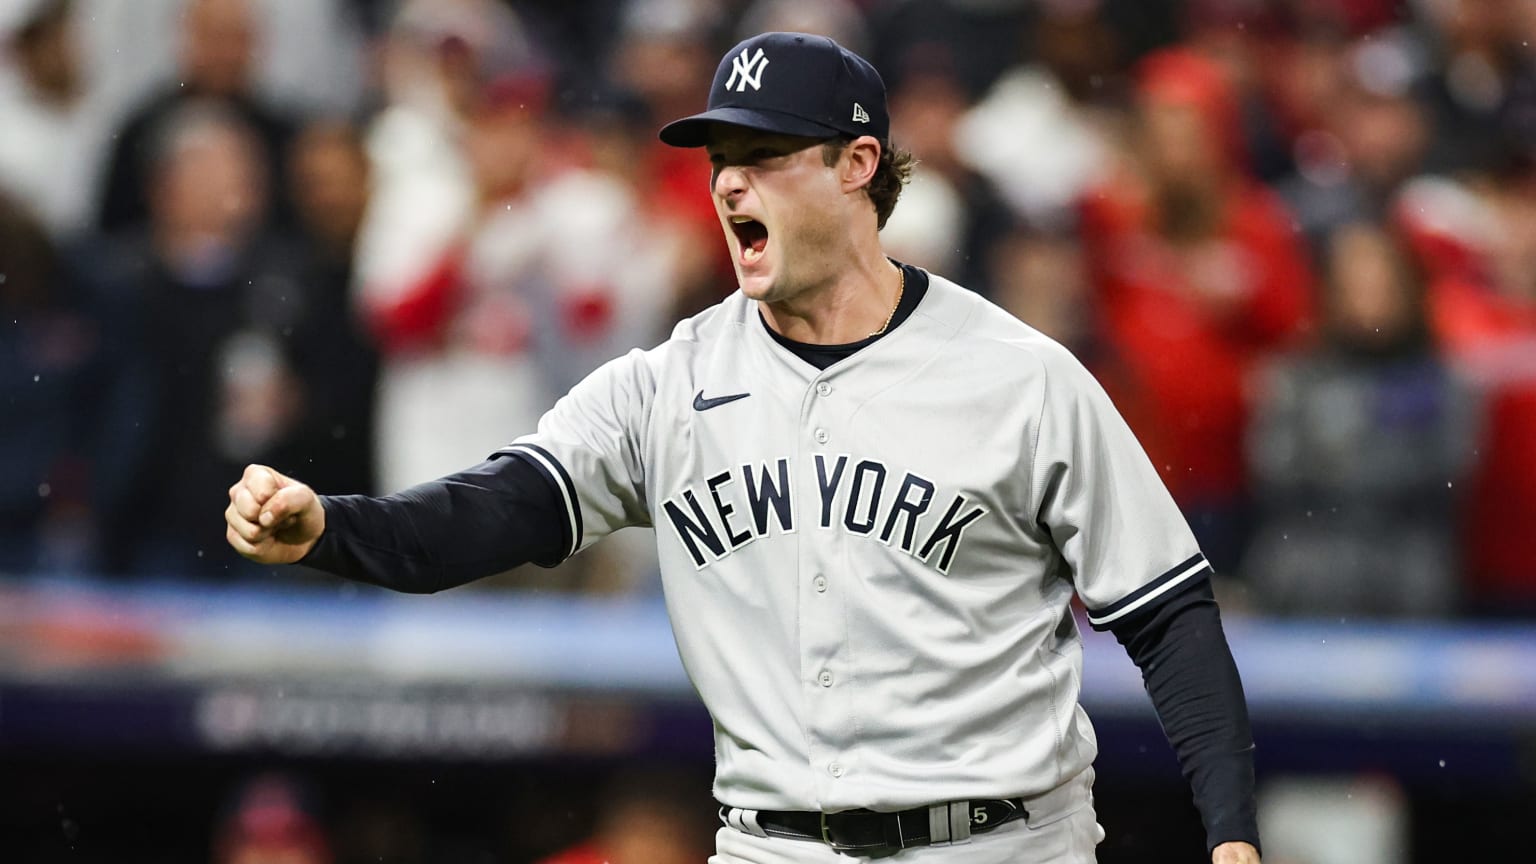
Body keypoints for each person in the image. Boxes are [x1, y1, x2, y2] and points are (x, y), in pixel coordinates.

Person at [226, 32, 1262, 863]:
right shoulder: (669, 383)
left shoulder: (1019, 378)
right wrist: (331, 529)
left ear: (860, 167)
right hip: (771, 847)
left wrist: (1231, 837)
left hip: (998, 844)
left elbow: (1168, 615)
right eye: (723, 163)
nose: (728, 187)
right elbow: (503, 508)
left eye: (763, 159)